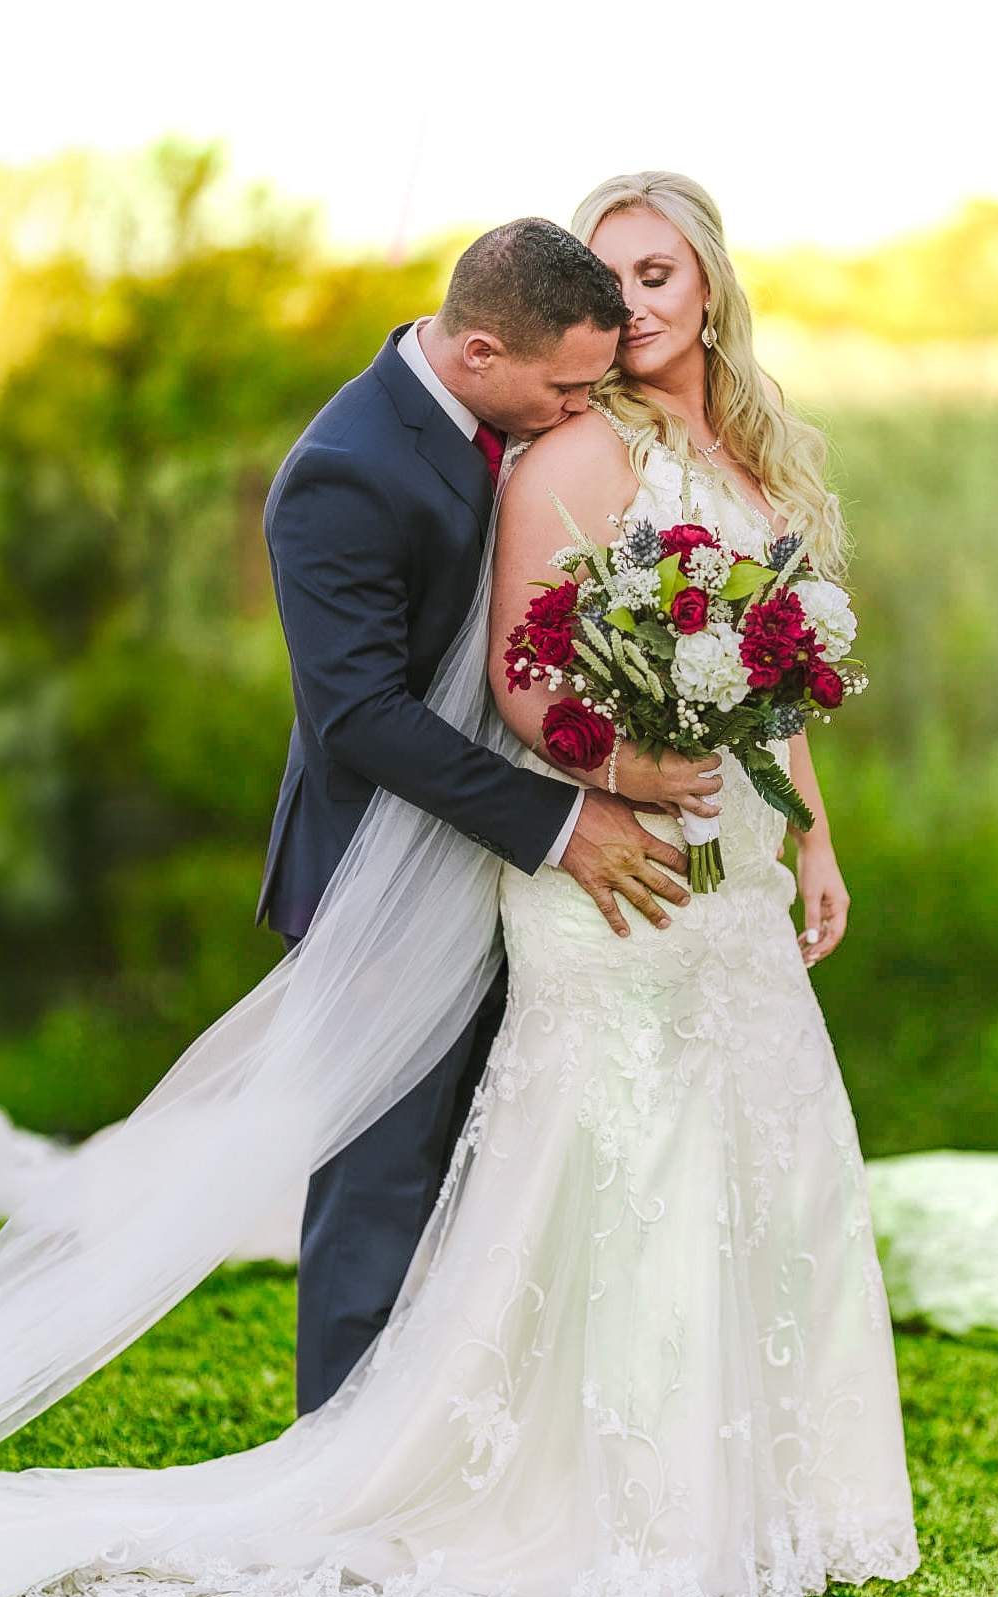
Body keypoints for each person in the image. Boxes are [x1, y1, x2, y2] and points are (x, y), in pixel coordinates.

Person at [0, 175, 918, 1597]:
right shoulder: (546, 450)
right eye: (610, 281)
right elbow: (445, 698)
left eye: (656, 275)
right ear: (502, 346)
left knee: (739, 1153)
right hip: (498, 842)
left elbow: (775, 694)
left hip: (721, 874)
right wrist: (605, 785)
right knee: (482, 1164)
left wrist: (808, 841)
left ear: (709, 284)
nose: (634, 309)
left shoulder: (738, 453)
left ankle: (764, 1490)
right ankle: (383, 1460)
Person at [256, 219, 722, 1414]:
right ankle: (336, 1479)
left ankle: (464, 1455)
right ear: (477, 352)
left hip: (508, 864)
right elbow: (360, 714)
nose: (580, 411)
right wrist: (571, 826)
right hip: (383, 874)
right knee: (381, 1188)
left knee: (497, 1173)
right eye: (566, 389)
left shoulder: (513, 422)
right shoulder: (344, 469)